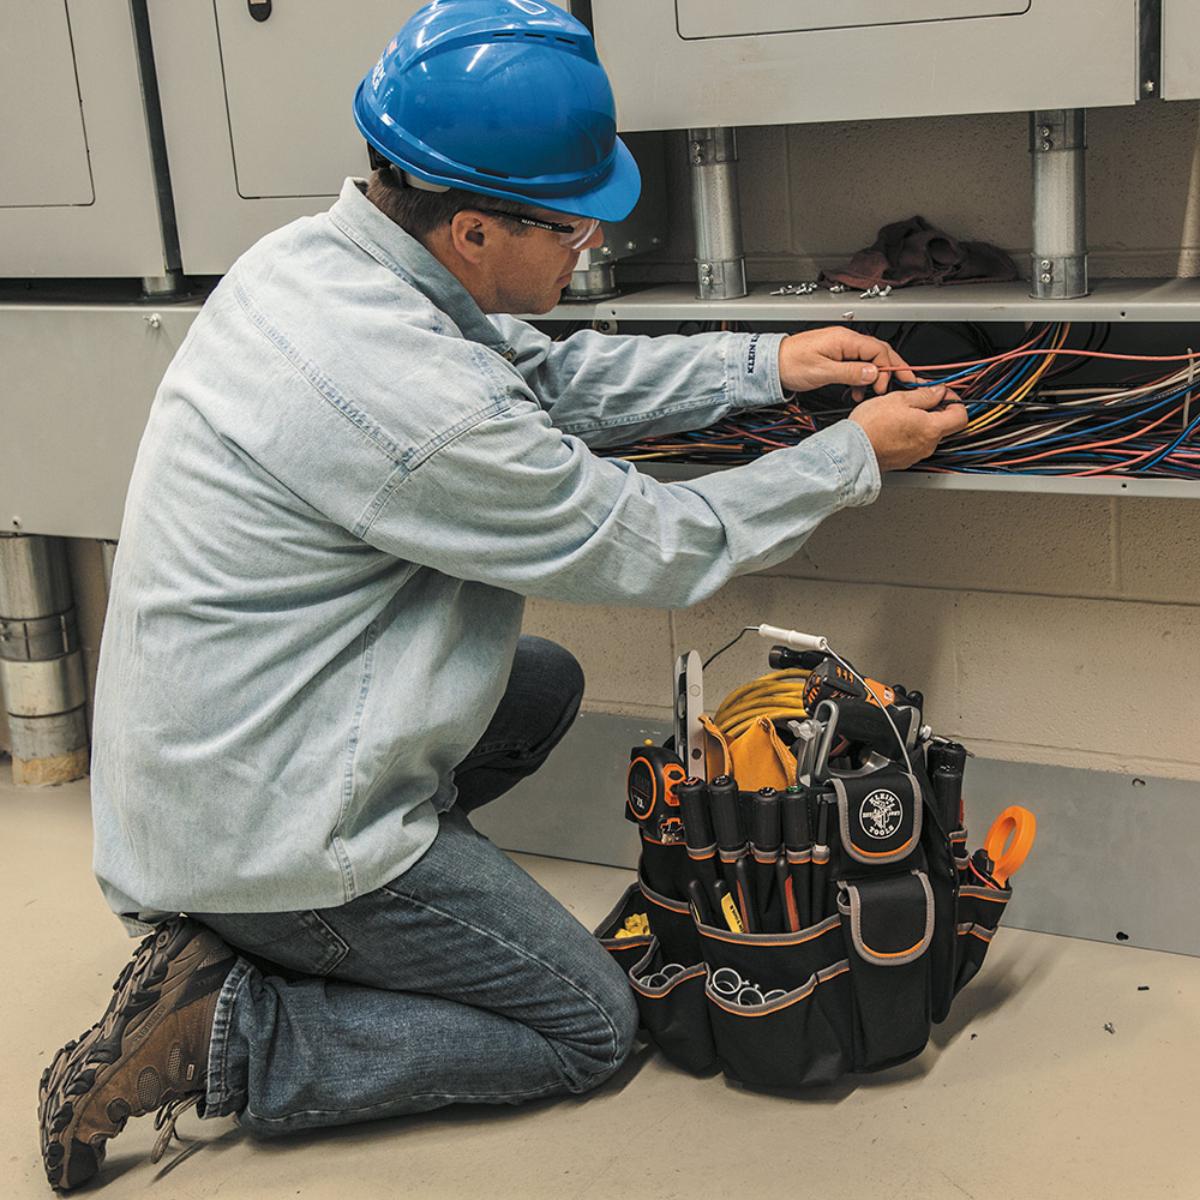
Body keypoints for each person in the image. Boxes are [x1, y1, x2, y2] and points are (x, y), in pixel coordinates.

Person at [36, 1, 966, 1190]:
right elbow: (652, 545)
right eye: (576, 226)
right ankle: (232, 1033)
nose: (590, 246)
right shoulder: (407, 398)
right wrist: (850, 460)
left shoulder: (321, 265)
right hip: (263, 825)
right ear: (474, 230)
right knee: (585, 1026)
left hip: (210, 766)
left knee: (537, 686)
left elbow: (543, 376)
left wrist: (761, 363)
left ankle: (294, 937)